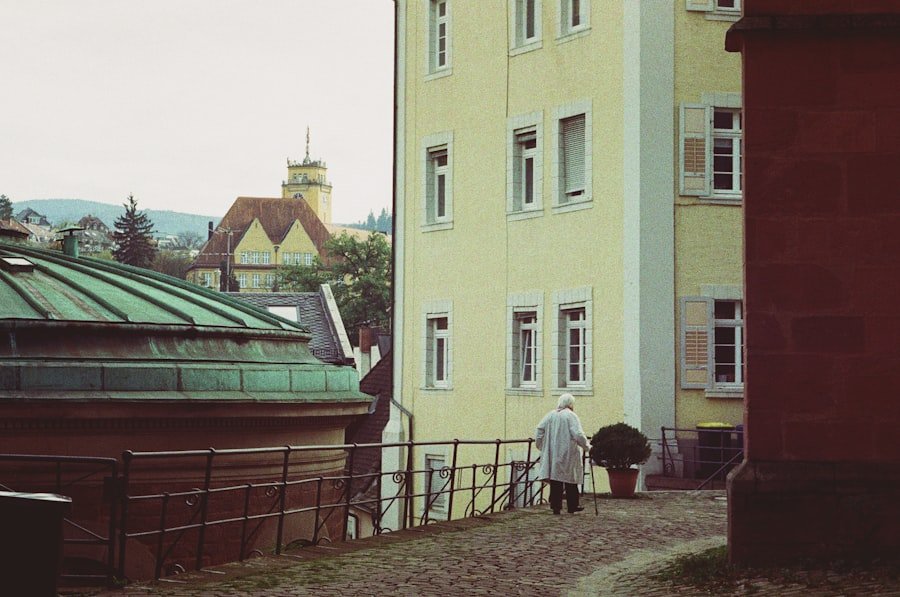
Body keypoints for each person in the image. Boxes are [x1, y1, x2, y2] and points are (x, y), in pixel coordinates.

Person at [535, 393, 590, 514]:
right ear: (570, 404)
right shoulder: (570, 416)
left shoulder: (550, 415)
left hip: (553, 452)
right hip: (568, 451)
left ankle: (556, 507)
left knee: (556, 480)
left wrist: (541, 446)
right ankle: (572, 505)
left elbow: (539, 429)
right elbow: (578, 434)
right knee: (571, 479)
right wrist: (587, 447)